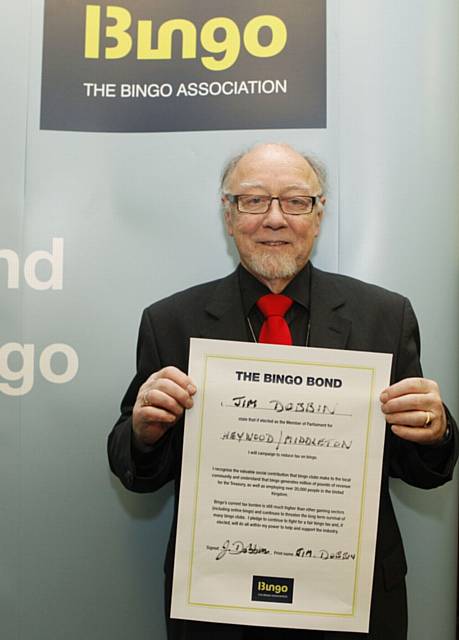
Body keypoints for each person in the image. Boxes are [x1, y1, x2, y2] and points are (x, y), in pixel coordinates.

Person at [107, 143, 458, 640]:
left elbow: (420, 471)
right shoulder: (171, 322)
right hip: (218, 605)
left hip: (351, 604)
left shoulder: (384, 316)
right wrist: (144, 433)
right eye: (253, 201)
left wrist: (434, 430)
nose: (274, 219)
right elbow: (136, 470)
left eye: (296, 201)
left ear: (318, 216)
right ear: (228, 216)